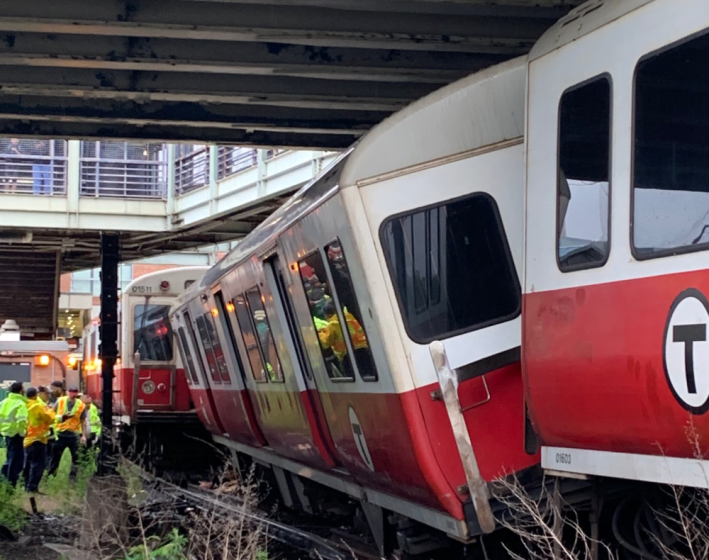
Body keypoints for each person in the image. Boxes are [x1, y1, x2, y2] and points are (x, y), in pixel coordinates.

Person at [48, 387, 88, 480]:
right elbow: (51, 414)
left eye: (75, 392)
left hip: (74, 435)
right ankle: (51, 476)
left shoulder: (81, 405)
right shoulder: (60, 401)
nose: (73, 394)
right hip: (60, 434)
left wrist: (83, 435)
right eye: (71, 392)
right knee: (55, 457)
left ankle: (73, 478)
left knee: (76, 458)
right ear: (67, 392)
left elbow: (83, 421)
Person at [23, 387, 55, 493]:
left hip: (26, 438)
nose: (48, 396)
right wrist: (50, 410)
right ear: (38, 394)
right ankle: (32, 488)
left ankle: (26, 485)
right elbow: (49, 419)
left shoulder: (24, 404)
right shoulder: (39, 406)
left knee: (27, 464)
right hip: (38, 439)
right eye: (47, 394)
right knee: (37, 464)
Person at [0, 382, 27, 486]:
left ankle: (3, 479)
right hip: (16, 435)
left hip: (7, 433)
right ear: (21, 390)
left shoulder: (4, 402)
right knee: (16, 460)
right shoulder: (20, 403)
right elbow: (22, 421)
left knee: (10, 457)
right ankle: (11, 484)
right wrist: (22, 433)